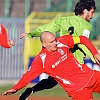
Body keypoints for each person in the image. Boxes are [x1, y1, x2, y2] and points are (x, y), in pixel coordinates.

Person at [19, 0, 97, 99]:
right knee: (83, 88)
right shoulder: (87, 26)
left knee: (52, 82)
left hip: (61, 57)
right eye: (92, 12)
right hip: (75, 62)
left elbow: (46, 29)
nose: (92, 16)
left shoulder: (63, 20)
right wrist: (95, 57)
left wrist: (31, 33)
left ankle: (32, 89)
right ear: (85, 11)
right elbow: (83, 43)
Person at [3, 31, 100, 100]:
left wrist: (95, 53)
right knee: (50, 82)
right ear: (44, 44)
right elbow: (27, 76)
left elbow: (82, 39)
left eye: (54, 40)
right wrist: (15, 88)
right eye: (51, 42)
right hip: (78, 89)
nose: (55, 43)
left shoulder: (62, 42)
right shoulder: (41, 60)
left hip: (92, 76)